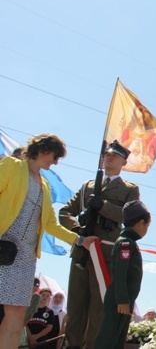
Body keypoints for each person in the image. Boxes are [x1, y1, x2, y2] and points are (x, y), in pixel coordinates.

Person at [0, 133, 96, 349]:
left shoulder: (45, 186)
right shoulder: (11, 166)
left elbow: (51, 224)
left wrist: (80, 240)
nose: (55, 162)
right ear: (42, 150)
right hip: (1, 247)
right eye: (55, 156)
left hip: (24, 259)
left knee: (16, 317)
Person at [59, 139, 140, 349]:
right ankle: (72, 345)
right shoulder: (88, 186)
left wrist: (102, 205)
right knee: (76, 306)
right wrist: (79, 234)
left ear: (124, 162)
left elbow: (129, 217)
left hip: (105, 253)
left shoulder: (129, 189)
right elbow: (65, 213)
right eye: (106, 154)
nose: (108, 157)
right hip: (82, 250)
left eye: (114, 155)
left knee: (99, 307)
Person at [94, 200, 151, 349]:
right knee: (109, 339)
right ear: (140, 223)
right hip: (119, 301)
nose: (147, 229)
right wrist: (122, 300)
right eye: (147, 225)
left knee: (118, 340)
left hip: (125, 300)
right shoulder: (126, 243)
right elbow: (120, 273)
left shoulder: (130, 242)